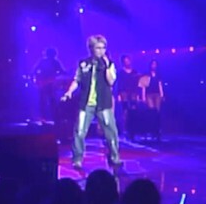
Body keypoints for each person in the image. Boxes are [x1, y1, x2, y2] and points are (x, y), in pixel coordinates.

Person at [61, 35, 122, 169]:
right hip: (86, 103)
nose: (101, 51)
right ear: (91, 48)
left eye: (103, 48)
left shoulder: (109, 64)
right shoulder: (84, 64)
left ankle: (114, 157)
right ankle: (77, 159)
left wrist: (107, 66)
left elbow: (111, 81)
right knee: (79, 131)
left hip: (103, 103)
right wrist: (69, 92)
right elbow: (77, 80)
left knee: (110, 131)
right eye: (98, 48)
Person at [34, 48, 65, 121]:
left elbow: (61, 71)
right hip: (46, 84)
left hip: (48, 84)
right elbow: (35, 70)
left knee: (47, 100)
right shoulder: (50, 62)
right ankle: (51, 117)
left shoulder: (52, 62)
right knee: (49, 100)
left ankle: (49, 117)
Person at [115, 55, 141, 137]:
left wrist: (138, 94)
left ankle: (133, 128)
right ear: (123, 62)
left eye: (128, 60)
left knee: (133, 109)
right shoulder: (121, 73)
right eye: (125, 61)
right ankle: (125, 129)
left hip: (133, 92)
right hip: (124, 92)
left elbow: (138, 84)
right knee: (125, 110)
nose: (127, 62)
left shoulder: (134, 72)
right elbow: (119, 84)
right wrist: (119, 95)